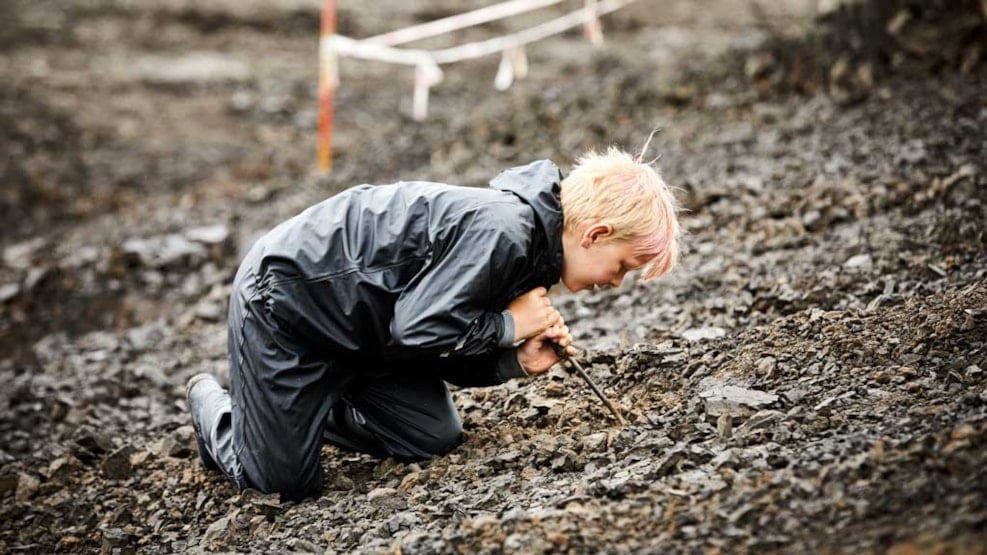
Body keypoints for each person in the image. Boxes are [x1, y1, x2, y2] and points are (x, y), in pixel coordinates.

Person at [186, 147, 681, 501]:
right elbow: (419, 328)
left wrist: (515, 359)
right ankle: (219, 409)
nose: (615, 283)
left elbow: (442, 348)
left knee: (430, 438)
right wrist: (508, 326)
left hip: (371, 333)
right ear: (595, 234)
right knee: (280, 485)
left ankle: (301, 410)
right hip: (290, 305)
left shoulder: (535, 257)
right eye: (622, 267)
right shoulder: (505, 230)